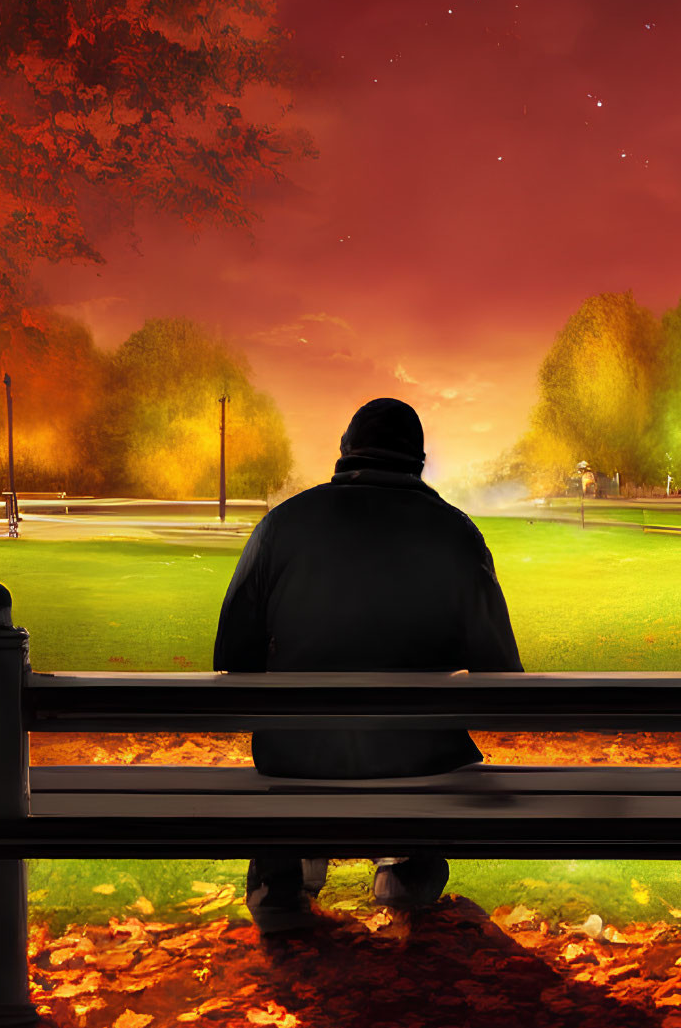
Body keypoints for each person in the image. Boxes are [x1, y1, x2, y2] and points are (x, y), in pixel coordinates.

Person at [213, 396, 523, 934]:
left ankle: (287, 865)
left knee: (306, 739)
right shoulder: (455, 534)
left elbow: (230, 660)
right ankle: (404, 867)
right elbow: (502, 677)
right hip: (415, 762)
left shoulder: (281, 525)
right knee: (410, 744)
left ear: (344, 453)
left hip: (296, 760)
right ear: (419, 463)